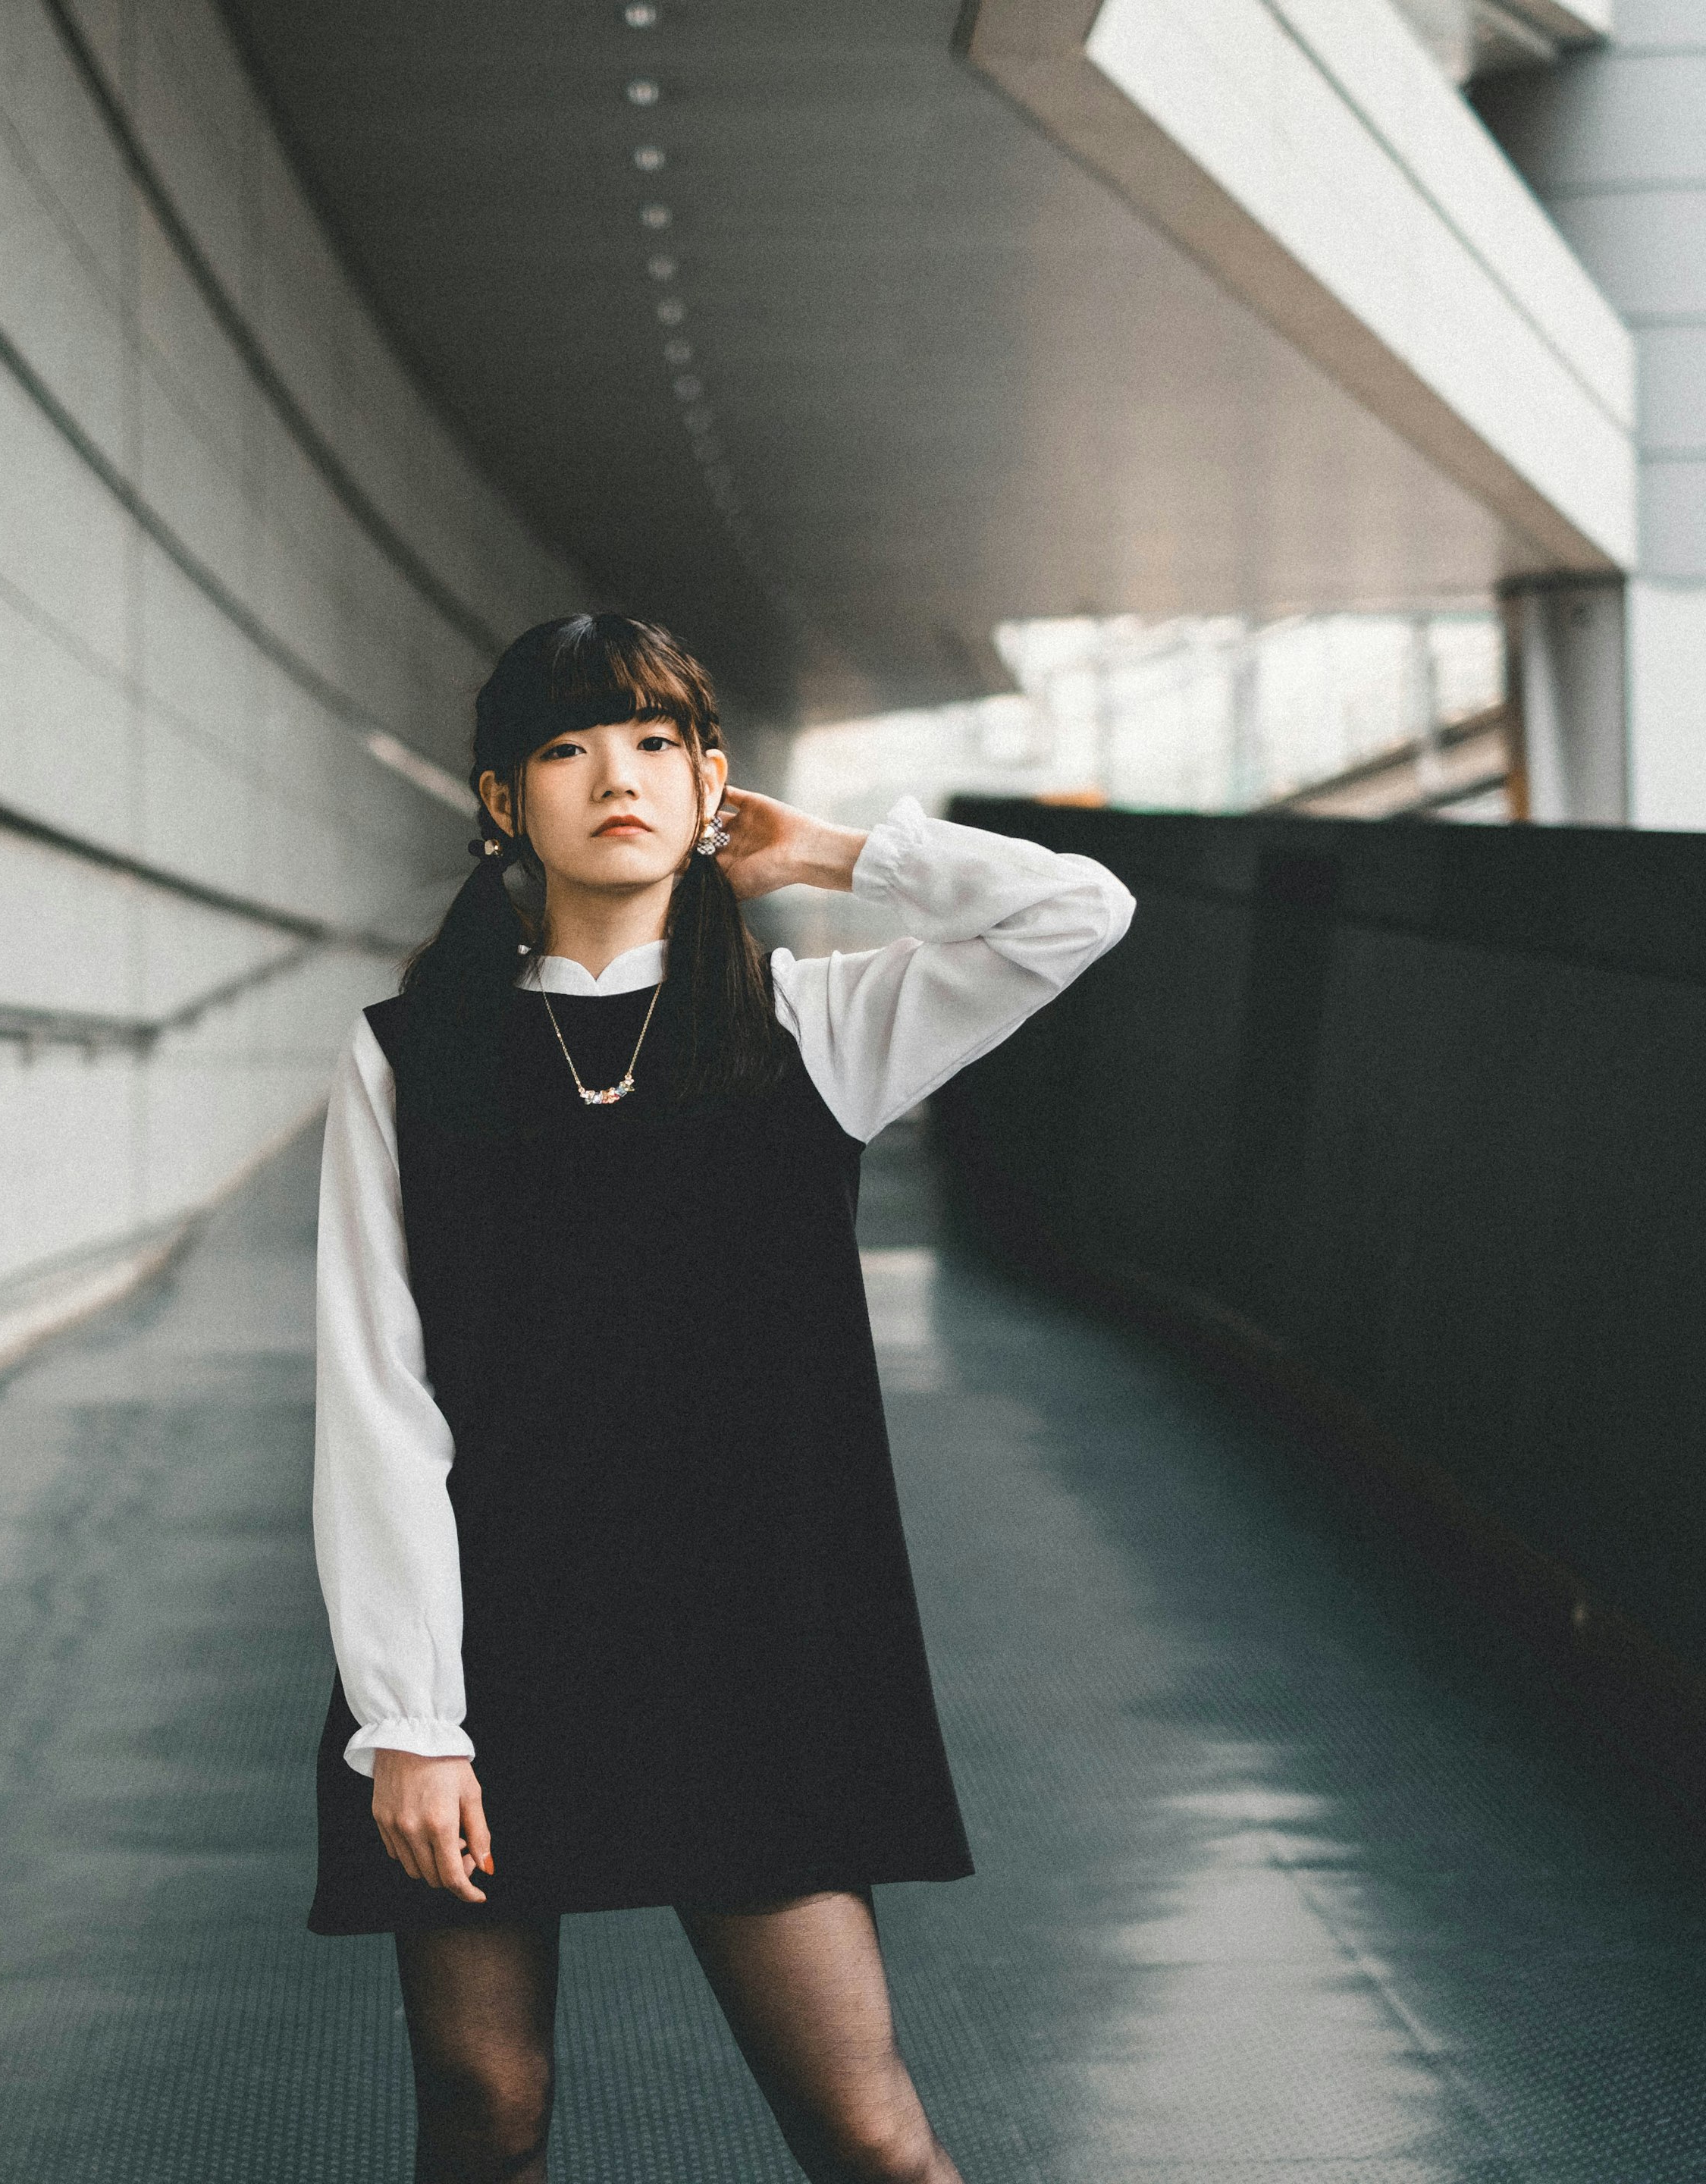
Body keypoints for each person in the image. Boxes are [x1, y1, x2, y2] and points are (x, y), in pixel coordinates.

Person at [306, 613, 1134, 2183]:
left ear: (709, 786)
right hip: (492, 1654)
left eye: (652, 742)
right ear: (502, 801)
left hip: (746, 1653)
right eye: (566, 747)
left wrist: (831, 852)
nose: (614, 776)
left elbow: (1076, 911)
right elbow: (377, 1393)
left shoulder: (813, 1028)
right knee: (483, 2117)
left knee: (870, 2135)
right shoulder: (413, 1058)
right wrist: (408, 1722)